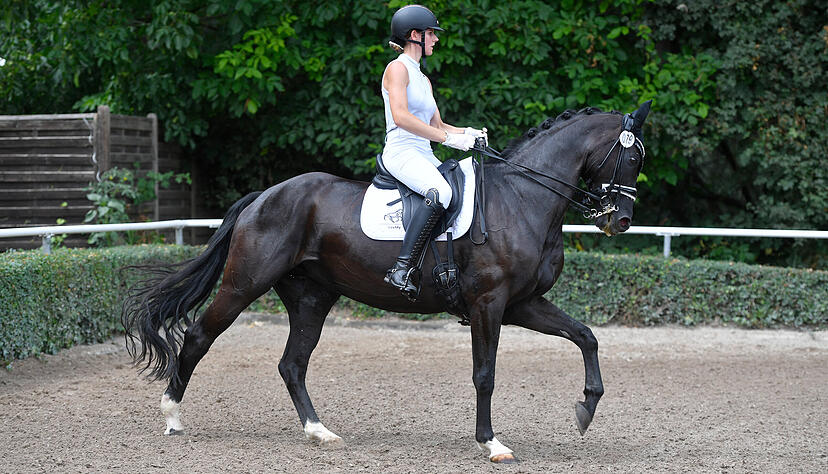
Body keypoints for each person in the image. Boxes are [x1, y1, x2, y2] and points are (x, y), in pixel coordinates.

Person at [381, 4, 486, 297]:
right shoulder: (397, 69)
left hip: (422, 151)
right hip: (401, 151)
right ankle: (401, 268)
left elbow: (438, 123)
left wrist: (467, 133)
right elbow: (401, 116)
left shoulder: (423, 78)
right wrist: (447, 139)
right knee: (440, 193)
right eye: (431, 34)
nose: (436, 40)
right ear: (414, 35)